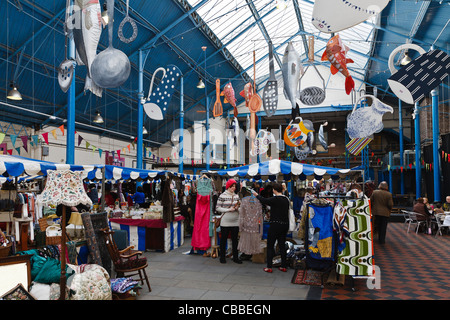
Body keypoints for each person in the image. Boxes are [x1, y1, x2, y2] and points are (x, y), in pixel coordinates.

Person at [252, 183, 290, 273]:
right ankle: (283, 266)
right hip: (284, 225)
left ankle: (269, 267)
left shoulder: (275, 199)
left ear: (274, 190)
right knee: (281, 245)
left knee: (270, 245)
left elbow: (263, 200)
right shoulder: (286, 199)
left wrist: (256, 194)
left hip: (275, 225)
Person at [216, 179, 241, 264]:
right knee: (223, 239)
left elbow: (240, 208)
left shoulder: (237, 196)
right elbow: (217, 208)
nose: (233, 188)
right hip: (225, 220)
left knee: (235, 240)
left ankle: (235, 257)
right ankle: (222, 257)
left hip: (236, 220)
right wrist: (228, 209)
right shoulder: (222, 195)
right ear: (228, 186)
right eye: (232, 186)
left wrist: (238, 208)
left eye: (234, 186)